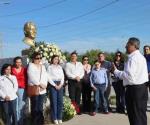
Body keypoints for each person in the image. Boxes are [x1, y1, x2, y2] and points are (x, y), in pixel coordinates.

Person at [112, 37, 148, 125]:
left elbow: (129, 77)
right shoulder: (141, 57)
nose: (125, 46)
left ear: (133, 45)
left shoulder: (133, 58)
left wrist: (116, 71)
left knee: (135, 117)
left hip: (134, 90)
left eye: (127, 44)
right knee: (141, 116)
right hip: (141, 89)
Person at [27, 52, 48, 125]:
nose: (38, 60)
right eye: (37, 58)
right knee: (35, 108)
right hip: (35, 89)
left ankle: (41, 122)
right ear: (33, 58)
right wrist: (40, 84)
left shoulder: (43, 66)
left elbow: (45, 76)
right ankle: (35, 122)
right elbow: (32, 77)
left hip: (42, 89)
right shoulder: (31, 66)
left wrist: (45, 85)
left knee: (40, 107)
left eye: (40, 58)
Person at [47, 55, 64, 124]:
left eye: (57, 59)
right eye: (54, 59)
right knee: (54, 102)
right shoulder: (49, 67)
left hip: (60, 84)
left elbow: (62, 76)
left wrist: (61, 84)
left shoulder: (60, 67)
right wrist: (54, 85)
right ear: (52, 60)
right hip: (53, 84)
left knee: (60, 101)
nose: (56, 60)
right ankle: (54, 118)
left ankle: (59, 117)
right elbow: (48, 77)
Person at [11, 56, 27, 125]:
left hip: (22, 90)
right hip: (13, 90)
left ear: (21, 63)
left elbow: (27, 79)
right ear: (14, 63)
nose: (18, 63)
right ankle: (15, 122)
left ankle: (20, 122)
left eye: (20, 62)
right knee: (15, 107)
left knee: (21, 107)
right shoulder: (11, 70)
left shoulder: (25, 69)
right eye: (17, 62)